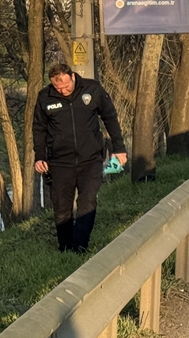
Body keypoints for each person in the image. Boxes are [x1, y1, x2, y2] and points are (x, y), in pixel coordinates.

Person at [33, 62, 127, 253]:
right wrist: (40, 157)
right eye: (58, 87)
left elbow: (110, 117)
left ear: (73, 77)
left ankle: (80, 247)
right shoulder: (45, 97)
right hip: (59, 162)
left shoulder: (92, 89)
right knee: (61, 206)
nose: (63, 90)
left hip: (90, 160)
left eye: (66, 85)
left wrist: (119, 148)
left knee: (88, 202)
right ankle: (65, 247)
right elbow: (39, 129)